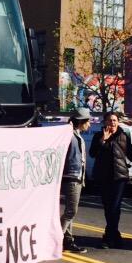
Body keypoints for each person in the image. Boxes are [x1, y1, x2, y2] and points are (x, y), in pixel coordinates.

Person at [89, 111, 132, 248]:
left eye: (114, 120)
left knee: (115, 207)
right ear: (105, 122)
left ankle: (108, 237)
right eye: (109, 120)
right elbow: (92, 153)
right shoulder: (98, 136)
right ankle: (115, 235)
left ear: (118, 122)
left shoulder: (123, 136)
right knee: (109, 207)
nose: (112, 123)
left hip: (119, 177)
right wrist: (104, 139)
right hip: (103, 177)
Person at [60, 107, 91, 254]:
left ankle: (68, 241)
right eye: (88, 121)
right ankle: (56, 239)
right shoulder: (70, 135)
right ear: (81, 121)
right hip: (72, 176)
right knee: (71, 211)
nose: (89, 124)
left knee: (70, 211)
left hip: (77, 176)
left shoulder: (76, 134)